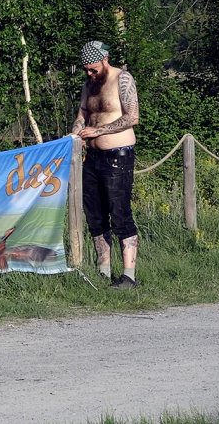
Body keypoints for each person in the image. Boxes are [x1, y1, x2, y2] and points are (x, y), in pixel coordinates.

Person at [71, 41, 140, 289]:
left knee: (119, 213)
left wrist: (98, 131)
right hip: (93, 157)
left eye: (93, 69)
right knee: (95, 215)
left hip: (117, 155)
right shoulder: (88, 86)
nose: (90, 74)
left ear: (105, 59)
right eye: (86, 70)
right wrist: (76, 135)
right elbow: (82, 115)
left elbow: (132, 117)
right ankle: (103, 272)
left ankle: (129, 276)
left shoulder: (122, 80)